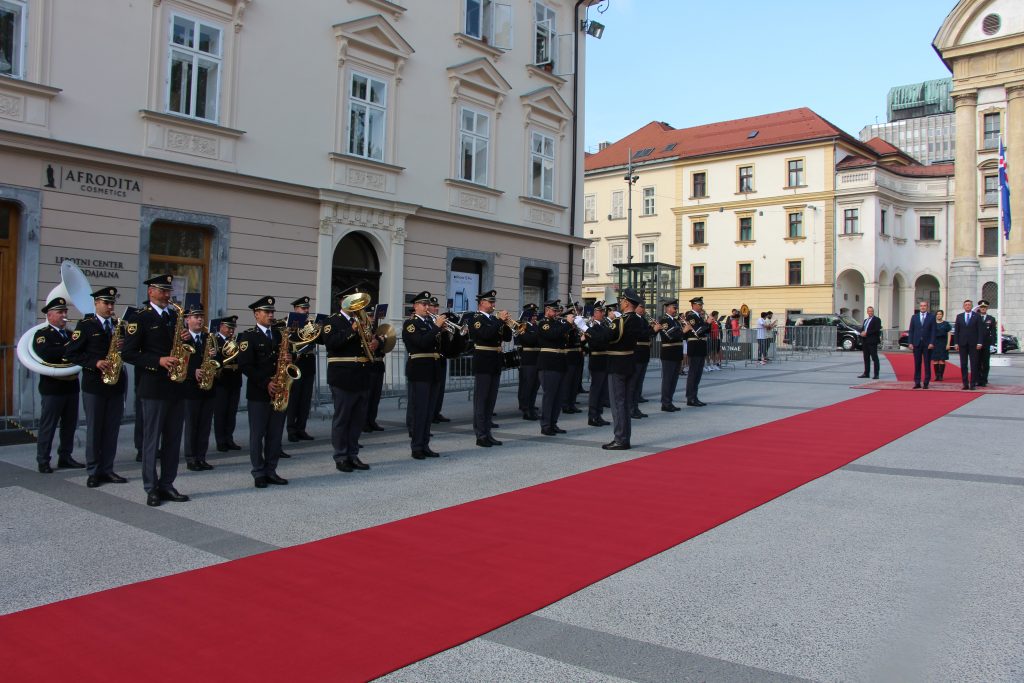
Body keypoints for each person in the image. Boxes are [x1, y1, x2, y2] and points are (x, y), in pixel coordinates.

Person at [121, 274, 190, 507]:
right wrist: (158, 361)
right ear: (150, 291)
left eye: (168, 291)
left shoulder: (174, 316)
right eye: (162, 290)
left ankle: (167, 483)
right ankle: (151, 487)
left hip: (176, 387)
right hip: (153, 387)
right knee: (151, 441)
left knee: (173, 440)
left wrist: (186, 339)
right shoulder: (139, 318)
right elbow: (128, 353)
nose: (167, 295)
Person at [65, 287, 127, 487]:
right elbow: (71, 353)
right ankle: (93, 471)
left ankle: (108, 469)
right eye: (106, 303)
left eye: (112, 303)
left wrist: (124, 347)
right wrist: (95, 362)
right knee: (94, 429)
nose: (110, 307)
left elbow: (130, 351)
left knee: (111, 430)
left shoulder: (118, 325)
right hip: (94, 386)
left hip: (115, 385)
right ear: (96, 303)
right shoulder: (86, 325)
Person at [235, 296, 291, 487]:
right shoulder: (248, 336)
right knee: (257, 434)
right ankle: (258, 471)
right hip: (259, 393)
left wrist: (290, 358)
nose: (271, 315)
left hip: (280, 391)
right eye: (267, 312)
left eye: (272, 312)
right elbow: (245, 365)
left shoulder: (279, 335)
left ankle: (271, 470)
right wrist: (266, 382)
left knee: (275, 435)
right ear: (256, 314)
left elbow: (288, 358)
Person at [322, 290, 376, 472]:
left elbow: (370, 341)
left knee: (357, 419)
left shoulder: (362, 320)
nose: (356, 304)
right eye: (351, 300)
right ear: (342, 301)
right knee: (342, 418)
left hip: (361, 374)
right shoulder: (332, 321)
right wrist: (351, 330)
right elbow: (331, 343)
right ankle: (340, 456)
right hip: (343, 376)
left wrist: (375, 343)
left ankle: (353, 454)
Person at [33, 296, 83, 474]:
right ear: (50, 315)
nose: (64, 315)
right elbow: (47, 354)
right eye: (60, 312)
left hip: (71, 385)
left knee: (69, 425)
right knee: (48, 425)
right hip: (52, 387)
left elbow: (80, 352)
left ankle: (65, 457)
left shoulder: (71, 334)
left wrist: (68, 350)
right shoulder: (42, 335)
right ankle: (43, 459)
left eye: (65, 312)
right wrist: (69, 349)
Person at [466, 290, 513, 447]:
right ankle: (480, 435)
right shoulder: (476, 319)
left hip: (495, 362)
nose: (493, 304)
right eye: (490, 302)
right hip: (483, 362)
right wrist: (499, 321)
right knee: (481, 400)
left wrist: (506, 324)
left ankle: (488, 433)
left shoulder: (493, 319)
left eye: (493, 302)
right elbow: (485, 334)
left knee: (490, 401)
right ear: (482, 303)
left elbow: (507, 338)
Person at [402, 291, 445, 459]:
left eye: (428, 304)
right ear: (415, 306)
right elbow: (421, 343)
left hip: (433, 370)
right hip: (419, 371)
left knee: (429, 411)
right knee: (419, 411)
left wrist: (445, 332)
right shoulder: (410, 324)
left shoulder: (430, 324)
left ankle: (425, 444)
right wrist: (437, 328)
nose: (427, 307)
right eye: (424, 304)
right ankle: (417, 447)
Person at [603, 288, 646, 450]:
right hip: (629, 363)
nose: (620, 303)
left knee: (618, 403)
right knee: (625, 403)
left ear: (627, 303)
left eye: (622, 300)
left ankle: (620, 439)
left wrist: (586, 330)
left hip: (617, 365)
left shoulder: (621, 321)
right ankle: (624, 437)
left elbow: (605, 338)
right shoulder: (637, 320)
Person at [181, 303, 216, 472]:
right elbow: (178, 362)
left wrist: (214, 356)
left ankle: (201, 457)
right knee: (191, 425)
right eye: (196, 317)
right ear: (187, 319)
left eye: (201, 316)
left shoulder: (208, 338)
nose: (200, 320)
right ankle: (191, 458)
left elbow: (218, 361)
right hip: (190, 388)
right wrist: (191, 371)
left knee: (205, 425)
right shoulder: (182, 338)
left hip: (207, 387)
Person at [286, 296, 317, 442]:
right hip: (295, 364)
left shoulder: (310, 323)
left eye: (307, 308)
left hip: (308, 363)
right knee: (294, 399)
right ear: (296, 309)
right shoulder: (289, 323)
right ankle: (291, 430)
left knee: (305, 400)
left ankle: (301, 428)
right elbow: (287, 342)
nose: (306, 310)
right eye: (303, 308)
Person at [212, 316, 243, 452]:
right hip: (221, 381)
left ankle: (229, 439)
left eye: (233, 328)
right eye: (229, 328)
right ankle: (220, 441)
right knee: (220, 412)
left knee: (231, 412)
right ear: (221, 327)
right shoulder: (214, 340)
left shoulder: (235, 341)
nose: (231, 331)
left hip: (235, 380)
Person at [538, 299, 568, 436]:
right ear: (547, 310)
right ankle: (546, 425)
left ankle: (553, 423)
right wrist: (568, 324)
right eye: (554, 310)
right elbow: (553, 335)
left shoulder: (558, 323)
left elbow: (564, 339)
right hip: (548, 363)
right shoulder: (543, 323)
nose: (556, 313)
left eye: (557, 311)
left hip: (560, 362)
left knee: (559, 396)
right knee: (549, 396)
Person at [584, 302, 611, 426]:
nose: (603, 313)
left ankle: (598, 415)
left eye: (603, 311)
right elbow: (597, 342)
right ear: (594, 313)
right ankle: (592, 416)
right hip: (597, 360)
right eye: (600, 311)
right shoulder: (591, 327)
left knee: (602, 390)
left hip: (605, 360)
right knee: (596, 390)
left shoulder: (604, 325)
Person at [631, 302, 659, 415]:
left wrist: (654, 328)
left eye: (644, 307)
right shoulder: (634, 319)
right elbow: (640, 334)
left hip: (644, 352)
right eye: (641, 307)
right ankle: (632, 407)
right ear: (635, 308)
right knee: (634, 381)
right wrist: (653, 330)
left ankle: (636, 404)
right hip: (637, 352)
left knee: (640, 379)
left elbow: (648, 334)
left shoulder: (643, 319)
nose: (643, 309)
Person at [683, 297, 711, 406]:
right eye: (700, 305)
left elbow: (706, 331)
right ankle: (690, 397)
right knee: (693, 374)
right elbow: (698, 331)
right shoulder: (691, 316)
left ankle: (694, 396)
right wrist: (707, 323)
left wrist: (708, 324)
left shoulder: (699, 316)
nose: (701, 306)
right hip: (695, 347)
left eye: (701, 305)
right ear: (694, 305)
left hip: (701, 346)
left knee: (698, 374)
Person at [658, 298, 684, 412]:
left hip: (676, 352)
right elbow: (670, 336)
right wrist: (683, 331)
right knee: (668, 379)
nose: (675, 310)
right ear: (667, 308)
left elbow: (681, 335)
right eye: (674, 308)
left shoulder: (676, 321)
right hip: (669, 353)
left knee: (674, 380)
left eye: (676, 308)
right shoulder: (664, 320)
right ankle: (665, 403)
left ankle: (669, 401)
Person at [516, 303, 541, 421]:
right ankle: (526, 409)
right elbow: (529, 340)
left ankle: (531, 407)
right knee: (527, 385)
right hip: (528, 359)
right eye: (533, 315)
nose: (535, 317)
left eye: (535, 315)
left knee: (535, 386)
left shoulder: (536, 326)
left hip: (537, 358)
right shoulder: (522, 326)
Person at [953, 298, 984, 390]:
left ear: (971, 306)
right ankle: (965, 383)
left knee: (974, 364)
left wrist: (980, 342)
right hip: (962, 343)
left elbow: (980, 330)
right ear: (963, 306)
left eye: (969, 305)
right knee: (963, 364)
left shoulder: (977, 316)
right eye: (966, 305)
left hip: (974, 344)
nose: (967, 306)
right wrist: (956, 343)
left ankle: (973, 383)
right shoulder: (959, 316)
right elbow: (957, 331)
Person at [907, 300, 936, 389]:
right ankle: (917, 382)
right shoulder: (914, 317)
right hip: (917, 343)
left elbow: (933, 331)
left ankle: (926, 382)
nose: (923, 307)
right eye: (921, 306)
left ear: (927, 307)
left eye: (924, 306)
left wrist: (932, 342)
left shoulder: (931, 317)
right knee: (917, 364)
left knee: (927, 364)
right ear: (919, 307)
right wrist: (910, 342)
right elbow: (911, 330)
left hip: (927, 344)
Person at [561, 305, 583, 415]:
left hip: (577, 356)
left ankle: (572, 403)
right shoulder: (566, 328)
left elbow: (580, 341)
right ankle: (565, 404)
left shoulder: (575, 328)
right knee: (568, 382)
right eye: (573, 317)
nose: (574, 319)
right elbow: (566, 340)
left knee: (575, 382)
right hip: (569, 357)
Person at [976, 300, 997, 387]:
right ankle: (978, 379)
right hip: (977, 343)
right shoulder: (975, 317)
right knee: (977, 362)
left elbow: (993, 332)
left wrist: (993, 344)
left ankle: (984, 380)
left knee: (985, 363)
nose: (983, 309)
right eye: (981, 307)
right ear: (979, 308)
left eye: (984, 307)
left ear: (987, 308)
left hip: (986, 343)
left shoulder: (991, 318)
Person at [857, 306, 882, 379]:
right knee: (866, 358)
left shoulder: (877, 319)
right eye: (869, 311)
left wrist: (866, 333)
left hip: (872, 341)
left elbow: (876, 329)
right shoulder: (865, 320)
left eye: (871, 311)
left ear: (873, 312)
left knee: (874, 358)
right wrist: (861, 332)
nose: (870, 312)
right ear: (867, 312)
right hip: (865, 341)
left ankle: (876, 374)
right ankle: (866, 373)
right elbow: (863, 329)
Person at [931, 310, 953, 382]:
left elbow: (949, 334)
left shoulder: (946, 324)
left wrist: (948, 344)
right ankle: (936, 376)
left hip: (943, 342)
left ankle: (941, 376)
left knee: (942, 360)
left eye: (940, 314)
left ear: (942, 315)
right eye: (937, 314)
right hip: (935, 343)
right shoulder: (933, 323)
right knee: (935, 360)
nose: (939, 315)